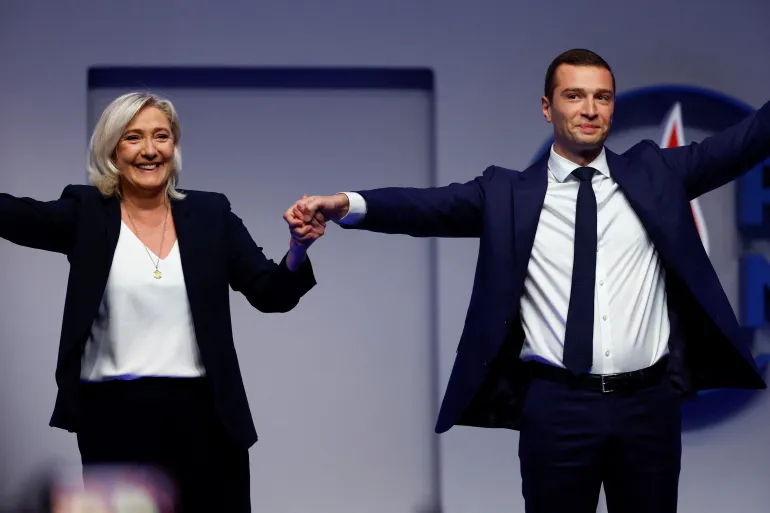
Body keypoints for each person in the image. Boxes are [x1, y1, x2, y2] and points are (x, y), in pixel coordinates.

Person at [284, 49, 769, 513]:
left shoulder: (656, 173)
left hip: (648, 406)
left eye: (602, 97)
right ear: (547, 107)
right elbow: (424, 207)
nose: (590, 109)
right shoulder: (508, 194)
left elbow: (744, 142)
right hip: (557, 409)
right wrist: (346, 204)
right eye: (574, 95)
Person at [0, 92, 324, 513]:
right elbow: (13, 215)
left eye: (161, 136)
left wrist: (298, 248)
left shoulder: (211, 214)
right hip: (113, 418)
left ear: (174, 145)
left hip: (206, 416)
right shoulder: (86, 213)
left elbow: (270, 293)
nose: (150, 150)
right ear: (112, 149)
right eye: (133, 137)